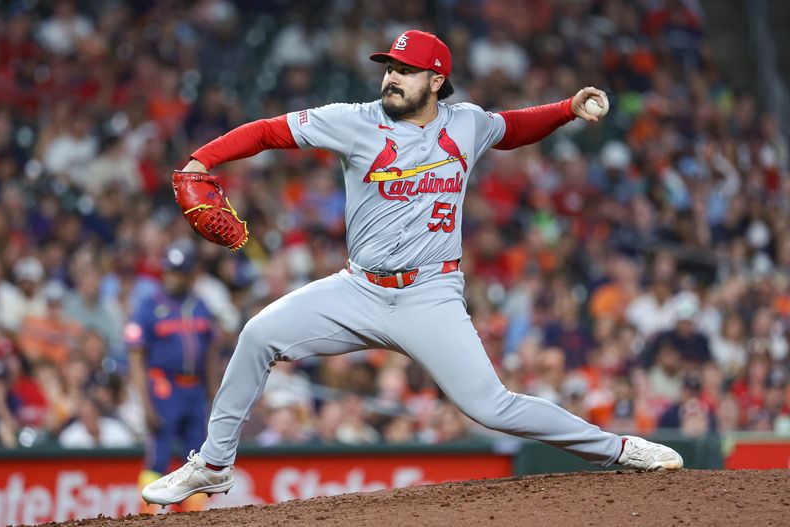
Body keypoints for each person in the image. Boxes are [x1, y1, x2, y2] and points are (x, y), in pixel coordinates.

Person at [143, 29, 683, 507]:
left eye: (405, 70)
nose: (392, 78)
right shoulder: (353, 122)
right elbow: (266, 131)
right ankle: (212, 467)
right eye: (389, 68)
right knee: (258, 334)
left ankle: (617, 449)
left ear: (436, 80)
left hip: (430, 294)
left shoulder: (466, 124)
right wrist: (201, 161)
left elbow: (512, 128)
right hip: (358, 289)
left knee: (491, 406)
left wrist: (567, 107)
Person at [128, 240, 220, 509]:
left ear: (190, 274)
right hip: (163, 387)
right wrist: (144, 403)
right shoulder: (149, 305)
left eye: (179, 272)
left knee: (196, 461)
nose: (172, 277)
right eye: (169, 270)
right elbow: (135, 355)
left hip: (195, 389)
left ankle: (195, 519)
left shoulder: (200, 304)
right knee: (158, 456)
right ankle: (150, 517)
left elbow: (212, 345)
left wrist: (213, 389)